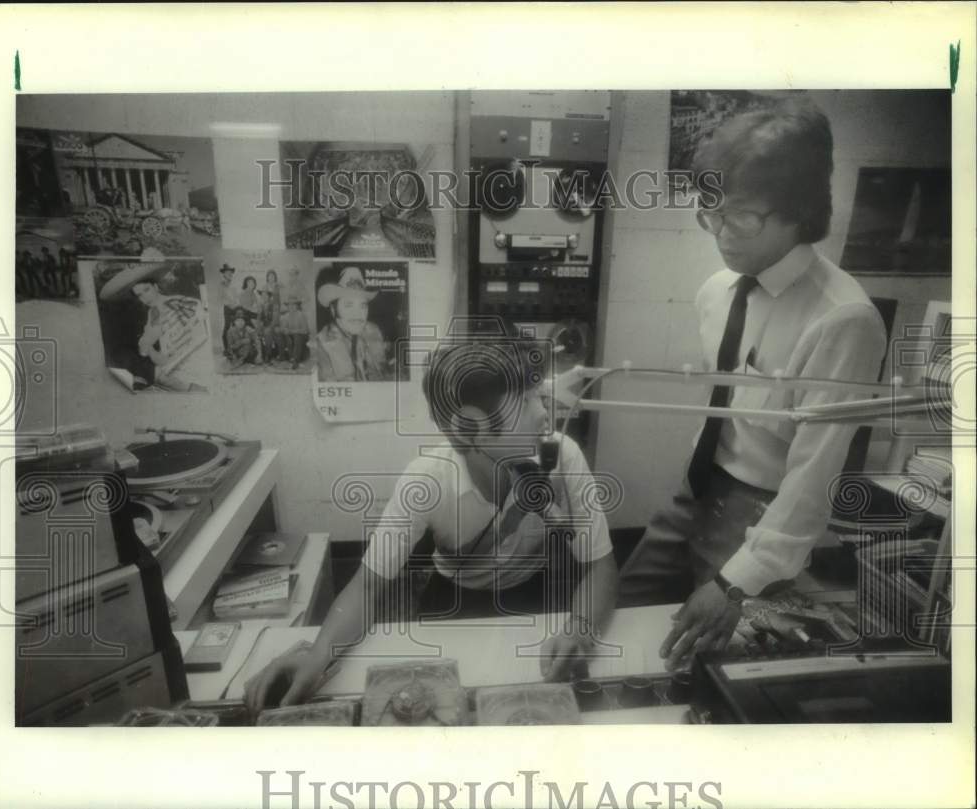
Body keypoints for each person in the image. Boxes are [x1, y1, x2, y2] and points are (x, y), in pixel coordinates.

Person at [618, 99, 888, 670]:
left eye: (740, 217)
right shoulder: (718, 289)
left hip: (761, 511)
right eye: (709, 212)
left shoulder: (844, 319)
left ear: (800, 213)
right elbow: (726, 408)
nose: (719, 232)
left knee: (701, 658)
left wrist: (737, 582)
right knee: (622, 614)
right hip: (695, 490)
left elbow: (815, 477)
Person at [244, 327, 619, 711]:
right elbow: (368, 586)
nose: (544, 413)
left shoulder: (563, 456)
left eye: (537, 394)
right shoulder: (427, 478)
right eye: (524, 402)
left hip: (533, 594)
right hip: (452, 601)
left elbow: (600, 565)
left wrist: (581, 630)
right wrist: (318, 653)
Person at [98, 248, 208, 392]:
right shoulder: (151, 317)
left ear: (155, 286)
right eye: (139, 295)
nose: (145, 298)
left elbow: (197, 332)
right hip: (177, 370)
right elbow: (162, 359)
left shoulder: (179, 302)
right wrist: (148, 348)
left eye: (147, 290)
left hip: (198, 358)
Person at [313, 265, 390, 381]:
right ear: (334, 310)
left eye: (363, 306)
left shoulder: (372, 331)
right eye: (348, 305)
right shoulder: (322, 346)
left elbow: (382, 373)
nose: (358, 314)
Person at [278, 299, 310, 369]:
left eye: (293, 305)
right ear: (287, 307)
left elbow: (305, 330)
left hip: (301, 337)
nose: (291, 307)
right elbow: (283, 328)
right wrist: (285, 330)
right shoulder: (286, 316)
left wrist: (292, 331)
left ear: (297, 306)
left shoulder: (301, 315)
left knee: (297, 336)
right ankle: (283, 356)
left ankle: (295, 360)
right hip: (290, 336)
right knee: (281, 335)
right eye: (289, 305)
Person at [218, 263, 239, 354]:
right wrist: (229, 305)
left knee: (236, 326)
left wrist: (236, 304)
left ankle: (235, 347)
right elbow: (221, 298)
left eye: (230, 272)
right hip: (227, 308)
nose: (229, 274)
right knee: (227, 326)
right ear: (224, 274)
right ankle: (226, 348)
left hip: (235, 307)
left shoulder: (234, 283)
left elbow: (236, 296)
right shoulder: (221, 284)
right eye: (227, 272)